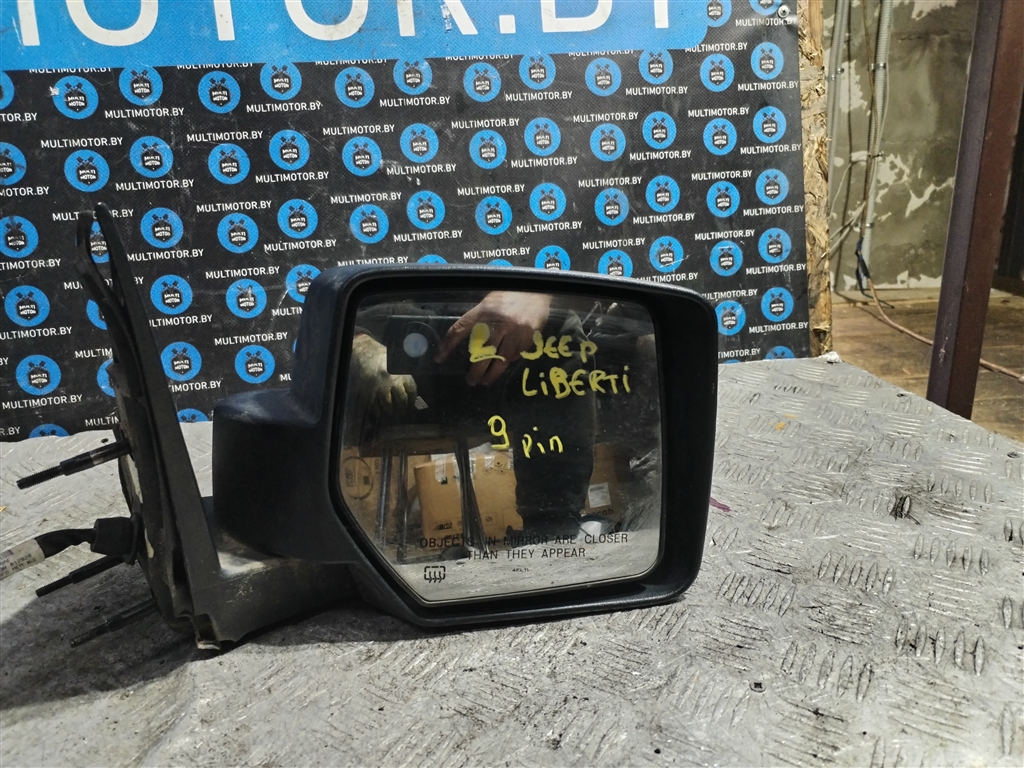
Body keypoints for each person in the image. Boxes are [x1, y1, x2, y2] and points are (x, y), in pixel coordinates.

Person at [346, 290, 596, 542]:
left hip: (480, 347)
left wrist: (538, 297)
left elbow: (584, 291)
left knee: (558, 326)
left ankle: (552, 531)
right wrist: (356, 341)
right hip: (374, 345)